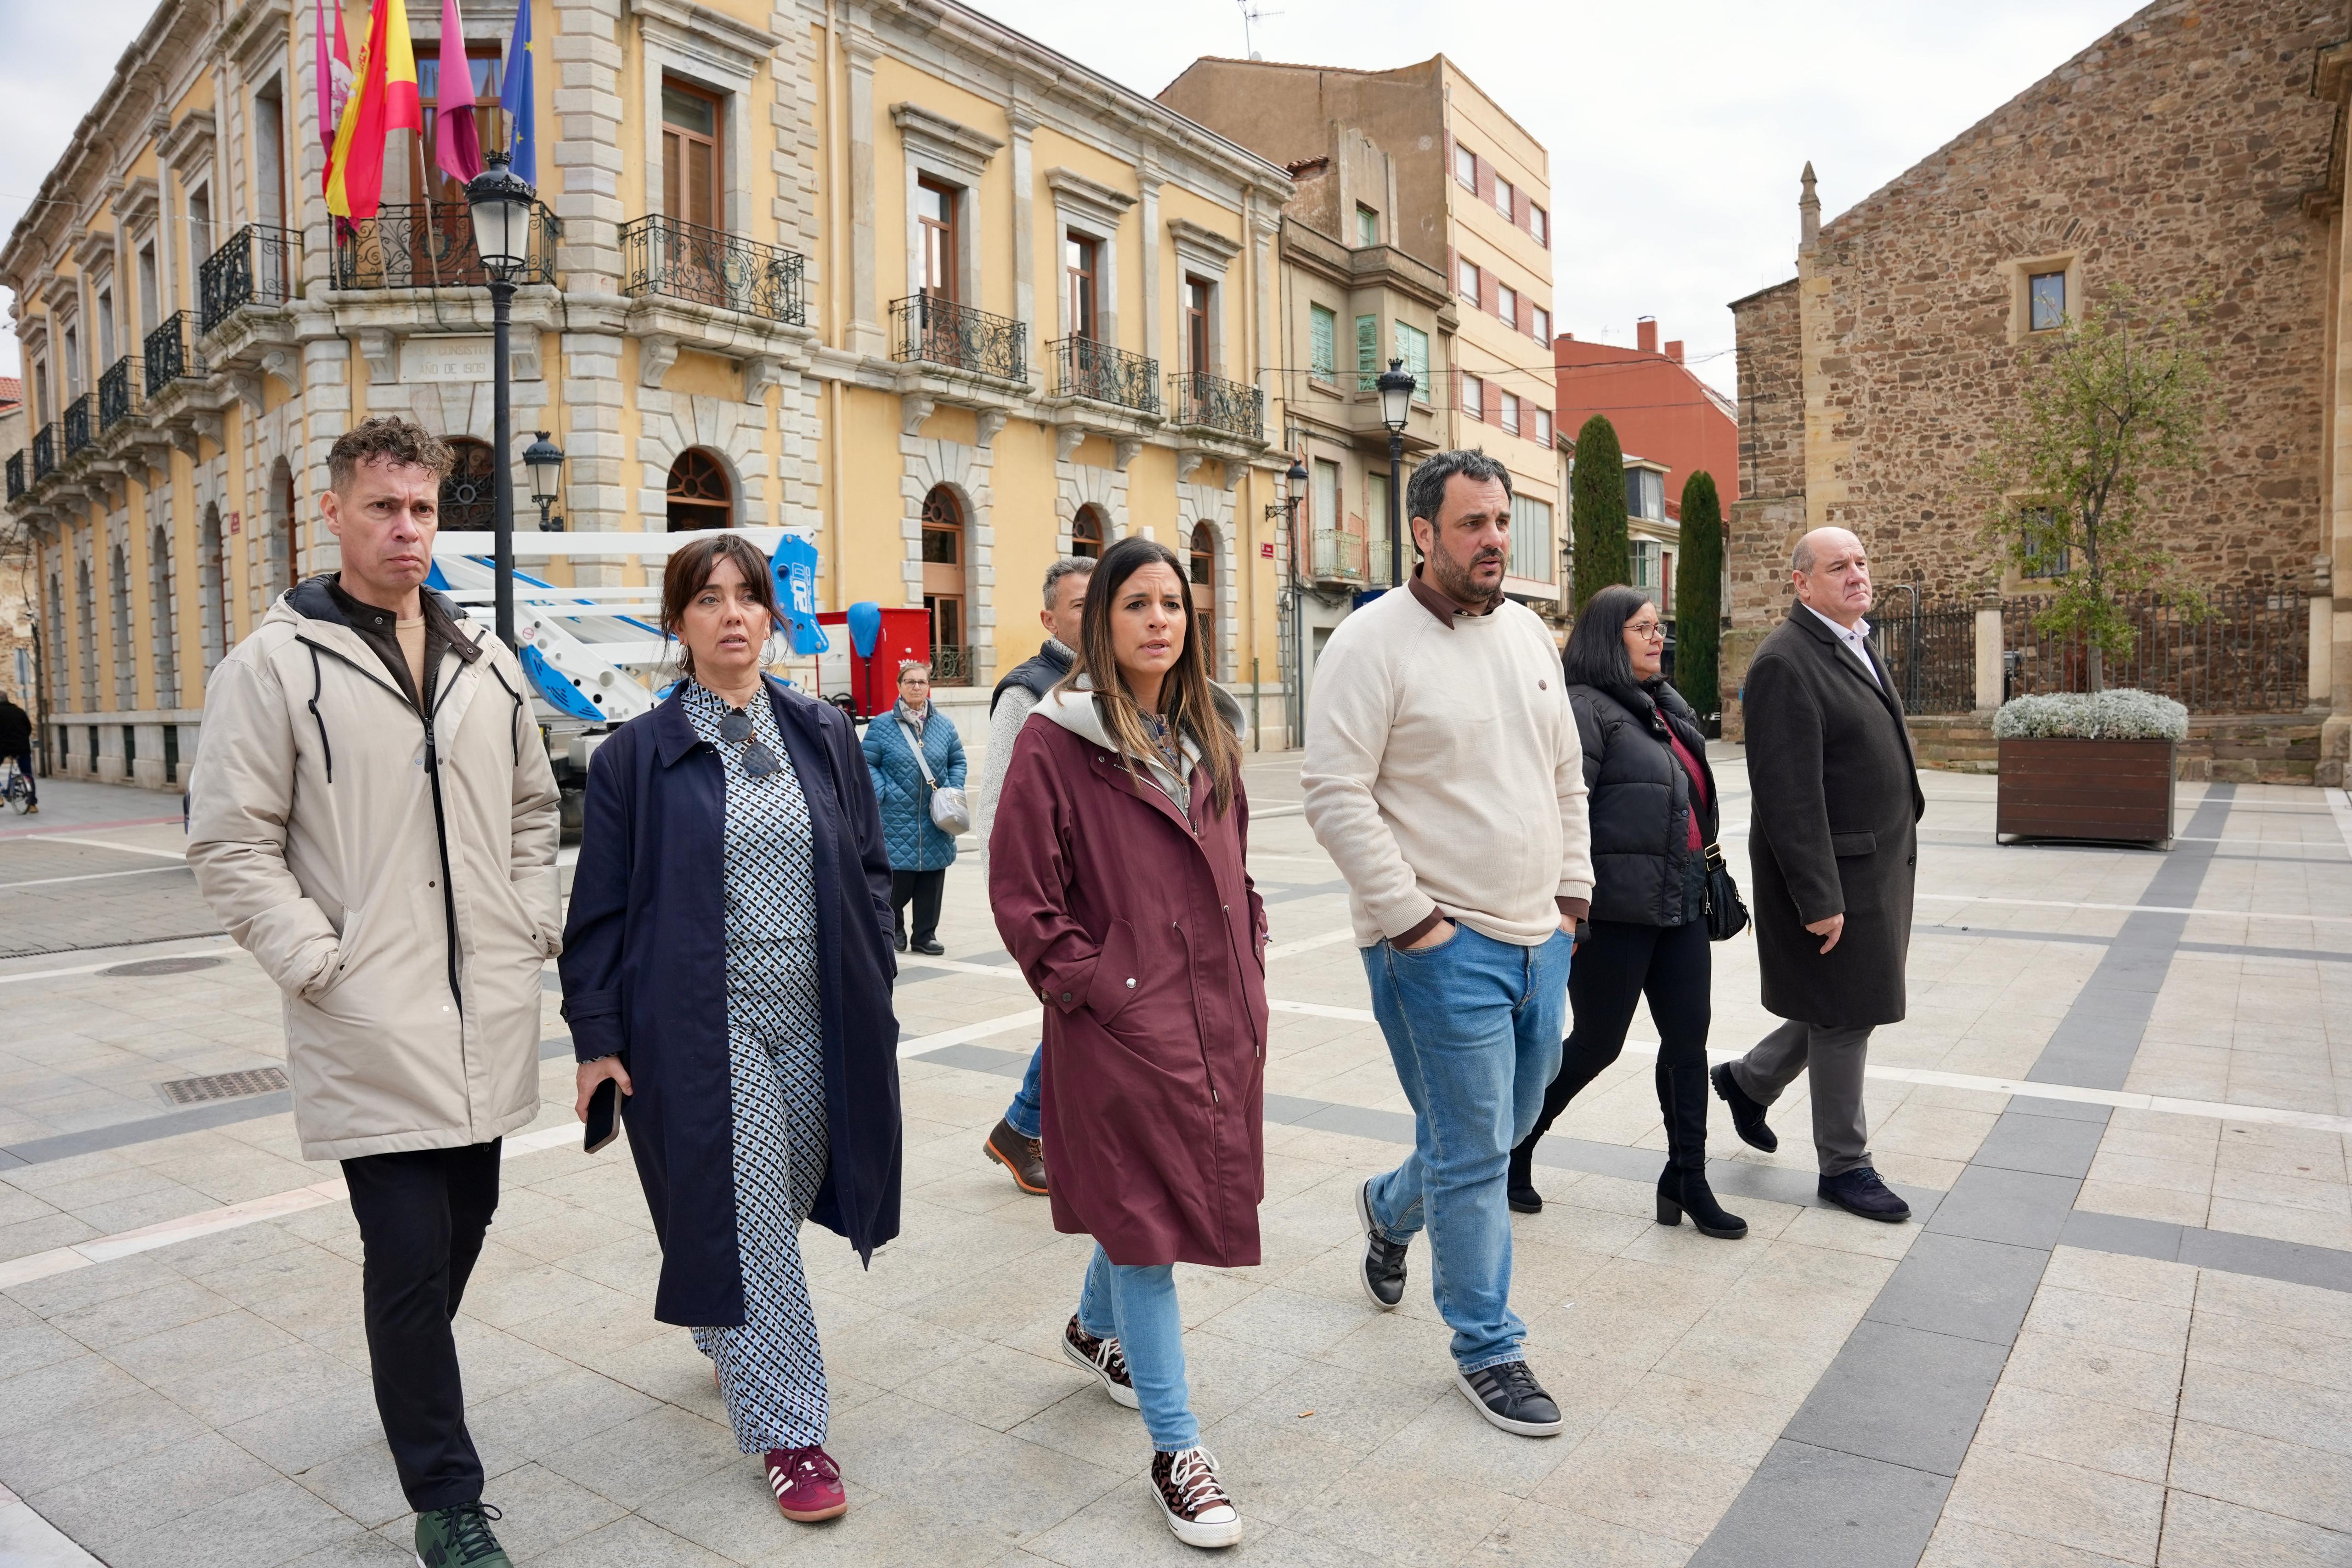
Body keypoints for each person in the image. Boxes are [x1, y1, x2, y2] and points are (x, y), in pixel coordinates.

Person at [187, 416, 559, 1568]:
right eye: (384, 507)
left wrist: (528, 920)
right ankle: (448, 1499)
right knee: (405, 1253)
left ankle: (409, 1375)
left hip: (482, 1008)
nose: (407, 529)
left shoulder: (485, 661)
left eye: (423, 509)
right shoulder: (272, 667)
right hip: (365, 1013)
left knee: (464, 1226)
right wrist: (317, 959)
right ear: (334, 514)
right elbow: (230, 841)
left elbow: (534, 808)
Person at [561, 532, 901, 1524]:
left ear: (771, 614)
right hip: (704, 1023)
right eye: (708, 599)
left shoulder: (822, 730)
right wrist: (597, 1039)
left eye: (748, 596)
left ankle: (728, 1314)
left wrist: (876, 962)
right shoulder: (634, 755)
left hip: (822, 1009)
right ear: (679, 621)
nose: (733, 615)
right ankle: (792, 1431)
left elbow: (870, 864)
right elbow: (598, 912)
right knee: (746, 1204)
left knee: (774, 1195)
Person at [1302, 448, 1592, 1439]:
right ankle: (1487, 1345)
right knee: (1474, 1151)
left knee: (1505, 1124)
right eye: (1473, 523)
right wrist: (1415, 923)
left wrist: (1571, 901)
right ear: (1423, 532)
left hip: (1539, 939)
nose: (1494, 539)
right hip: (1439, 949)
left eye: (1502, 520)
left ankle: (1389, 1207)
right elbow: (1334, 794)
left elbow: (1565, 775)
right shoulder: (1369, 641)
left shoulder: (1529, 633)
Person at [990, 535, 1267, 1550]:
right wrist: (1102, 988)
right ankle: (1177, 1447)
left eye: (1173, 604)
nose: (1159, 620)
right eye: (1137, 603)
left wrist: (1252, 949)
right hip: (1117, 1027)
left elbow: (1237, 864)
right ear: (1100, 622)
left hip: (1215, 1017)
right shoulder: (1055, 739)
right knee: (1148, 1223)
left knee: (1143, 1201)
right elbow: (1023, 896)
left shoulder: (1207, 732)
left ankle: (1089, 1327)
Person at [1507, 586, 1744, 1239]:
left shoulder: (1664, 707)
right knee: (1597, 1044)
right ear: (1607, 636)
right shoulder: (1584, 708)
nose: (1656, 636)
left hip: (1680, 903)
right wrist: (1569, 909)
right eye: (1642, 628)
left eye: (1658, 626)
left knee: (1688, 1042)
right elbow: (1566, 811)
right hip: (1614, 909)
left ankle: (1687, 1177)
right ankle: (1515, 1145)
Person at [1710, 526, 1923, 1223]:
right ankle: (1845, 1165)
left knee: (1844, 1001)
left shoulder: (1852, 638)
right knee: (1845, 1013)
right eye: (1838, 566)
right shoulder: (1785, 660)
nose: (1857, 574)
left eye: (1861, 561)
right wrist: (1818, 897)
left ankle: (1748, 1081)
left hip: (1874, 867)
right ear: (1802, 583)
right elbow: (1787, 796)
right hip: (1836, 875)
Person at [972, 554, 1094, 1196]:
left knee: (1087, 1014)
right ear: (1050, 619)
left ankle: (1028, 1128)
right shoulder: (1028, 691)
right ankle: (1026, 1127)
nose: (1095, 614)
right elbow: (997, 805)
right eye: (1079, 605)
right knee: (1082, 1009)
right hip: (1056, 895)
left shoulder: (1113, 678)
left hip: (1103, 886)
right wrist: (1018, 909)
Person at [862, 660, 967, 955]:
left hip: (936, 816)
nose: (916, 687)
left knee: (932, 877)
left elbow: (957, 761)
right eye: (910, 681)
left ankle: (925, 935)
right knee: (898, 878)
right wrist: (884, 792)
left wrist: (951, 790)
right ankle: (894, 929)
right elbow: (866, 762)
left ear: (928, 686)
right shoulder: (882, 725)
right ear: (899, 686)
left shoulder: (944, 725)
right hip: (896, 815)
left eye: (921, 682)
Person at [0, 691, 34, 811]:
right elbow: (29, 729)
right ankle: (32, 804)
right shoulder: (20, 711)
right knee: (27, 774)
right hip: (22, 747)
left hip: (3, 748)